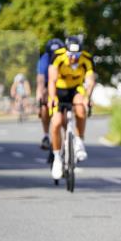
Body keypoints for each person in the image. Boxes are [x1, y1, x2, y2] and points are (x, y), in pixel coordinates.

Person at [48, 36, 95, 179]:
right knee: (56, 123)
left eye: (76, 55)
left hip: (75, 89)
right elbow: (52, 80)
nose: (73, 58)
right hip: (59, 90)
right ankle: (57, 158)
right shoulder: (58, 56)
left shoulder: (86, 59)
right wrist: (53, 98)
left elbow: (91, 81)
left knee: (81, 107)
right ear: (66, 52)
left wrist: (88, 97)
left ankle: (79, 141)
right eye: (71, 55)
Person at [36, 38, 64, 150]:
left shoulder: (66, 58)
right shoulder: (44, 60)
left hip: (64, 84)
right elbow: (41, 80)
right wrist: (40, 97)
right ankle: (46, 135)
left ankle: (69, 136)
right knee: (44, 105)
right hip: (49, 84)